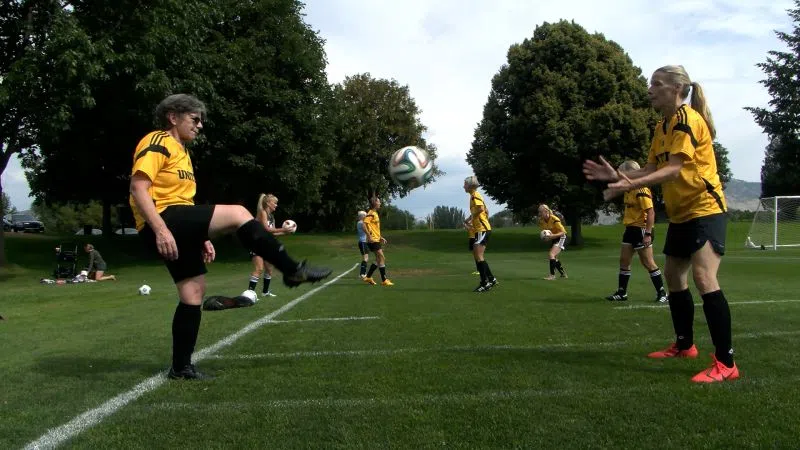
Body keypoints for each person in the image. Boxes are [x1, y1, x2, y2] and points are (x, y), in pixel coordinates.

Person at [129, 93, 332, 381]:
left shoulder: (183, 153)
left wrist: (201, 236)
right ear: (173, 117)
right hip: (161, 219)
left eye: (201, 121)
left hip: (175, 221)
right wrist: (161, 229)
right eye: (194, 119)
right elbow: (138, 188)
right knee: (238, 213)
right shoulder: (158, 141)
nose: (200, 125)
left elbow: (184, 203)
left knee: (193, 292)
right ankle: (291, 270)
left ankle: (181, 368)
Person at [583, 65, 738, 383]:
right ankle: (685, 345)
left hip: (705, 209)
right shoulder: (661, 126)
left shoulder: (686, 119)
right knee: (673, 276)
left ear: (676, 89)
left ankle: (726, 363)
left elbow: (674, 169)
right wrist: (618, 175)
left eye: (657, 84)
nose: (650, 89)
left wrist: (628, 184)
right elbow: (652, 168)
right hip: (682, 214)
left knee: (703, 277)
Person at [605, 160, 668, 303]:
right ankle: (622, 293)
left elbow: (650, 212)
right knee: (624, 261)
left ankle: (662, 293)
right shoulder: (629, 189)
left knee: (648, 263)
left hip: (641, 229)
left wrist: (648, 234)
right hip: (630, 229)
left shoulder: (641, 189)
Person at [246, 193, 294, 297]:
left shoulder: (272, 217)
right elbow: (267, 229)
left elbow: (273, 233)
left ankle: (265, 292)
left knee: (269, 270)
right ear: (268, 203)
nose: (276, 205)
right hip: (257, 244)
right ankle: (249, 293)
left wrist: (285, 233)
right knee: (259, 269)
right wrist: (283, 229)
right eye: (275, 203)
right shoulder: (262, 212)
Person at [463, 176, 497, 292]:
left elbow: (481, 209)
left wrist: (472, 218)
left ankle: (484, 283)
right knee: (477, 255)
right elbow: (482, 210)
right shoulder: (473, 196)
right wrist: (469, 219)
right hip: (479, 229)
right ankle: (491, 279)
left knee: (478, 255)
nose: (463, 186)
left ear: (470, 185)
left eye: (465, 184)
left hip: (483, 229)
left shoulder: (475, 195)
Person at [361, 197, 393, 286]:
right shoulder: (371, 213)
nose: (380, 203)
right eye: (379, 201)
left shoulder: (375, 213)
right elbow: (364, 225)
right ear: (375, 203)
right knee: (382, 258)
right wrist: (369, 236)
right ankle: (383, 280)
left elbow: (374, 228)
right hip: (373, 240)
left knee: (379, 259)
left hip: (376, 239)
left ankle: (369, 277)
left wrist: (380, 237)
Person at [537, 204, 567, 280]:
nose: (539, 213)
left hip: (561, 237)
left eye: (541, 212)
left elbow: (563, 232)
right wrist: (546, 238)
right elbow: (546, 232)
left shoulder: (554, 219)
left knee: (551, 254)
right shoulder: (541, 221)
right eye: (539, 212)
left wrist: (553, 236)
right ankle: (563, 274)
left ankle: (552, 276)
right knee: (554, 257)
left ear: (546, 211)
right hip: (554, 238)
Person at [356, 210, 369, 278]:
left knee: (366, 257)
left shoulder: (361, 222)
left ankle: (362, 273)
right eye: (365, 215)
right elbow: (366, 228)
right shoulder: (361, 222)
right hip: (362, 242)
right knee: (365, 258)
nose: (366, 216)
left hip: (363, 242)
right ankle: (362, 274)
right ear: (362, 216)